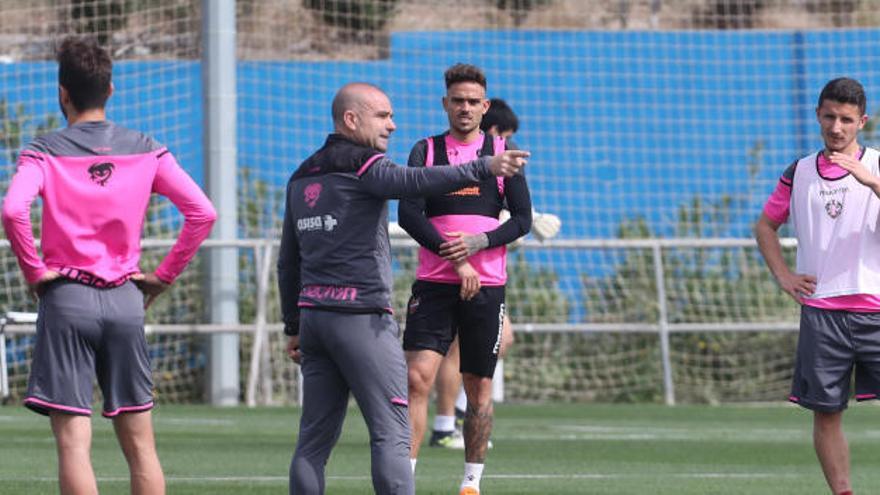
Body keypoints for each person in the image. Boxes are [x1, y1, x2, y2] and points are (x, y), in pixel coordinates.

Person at [277, 81, 528, 495]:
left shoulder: (300, 176)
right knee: (392, 432)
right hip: (361, 319)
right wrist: (484, 167)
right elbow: (418, 181)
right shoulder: (367, 167)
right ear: (351, 119)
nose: (392, 126)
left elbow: (289, 260)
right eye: (383, 116)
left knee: (313, 442)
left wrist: (293, 323)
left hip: (314, 320)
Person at [1, 36, 217, 495]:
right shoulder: (146, 149)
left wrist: (34, 270)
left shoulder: (43, 151)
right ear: (111, 89)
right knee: (141, 447)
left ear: (62, 93)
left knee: (73, 445)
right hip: (125, 299)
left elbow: (12, 210)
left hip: (67, 299)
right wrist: (163, 276)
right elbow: (203, 212)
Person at [398, 65, 532, 495]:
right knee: (416, 377)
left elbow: (523, 220)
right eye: (458, 100)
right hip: (434, 283)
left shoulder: (503, 152)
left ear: (485, 106)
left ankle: (471, 483)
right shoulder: (426, 151)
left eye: (474, 101)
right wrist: (454, 255)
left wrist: (479, 241)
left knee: (479, 386)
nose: (465, 108)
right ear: (445, 104)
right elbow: (409, 214)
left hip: (487, 287)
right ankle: (404, 481)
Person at [755, 77, 879, 495]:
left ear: (862, 121)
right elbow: (766, 226)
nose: (837, 127)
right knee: (826, 413)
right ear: (818, 116)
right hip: (822, 312)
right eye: (830, 116)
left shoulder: (877, 166)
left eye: (846, 119)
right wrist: (784, 276)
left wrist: (872, 182)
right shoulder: (799, 171)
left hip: (875, 310)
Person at [428, 98, 561, 450]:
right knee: (456, 349)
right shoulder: (458, 160)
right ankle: (444, 426)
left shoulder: (499, 166)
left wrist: (528, 220)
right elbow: (457, 217)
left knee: (499, 340)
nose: (511, 145)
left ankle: (457, 416)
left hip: (488, 270)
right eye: (507, 135)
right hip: (460, 270)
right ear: (493, 130)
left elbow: (506, 216)